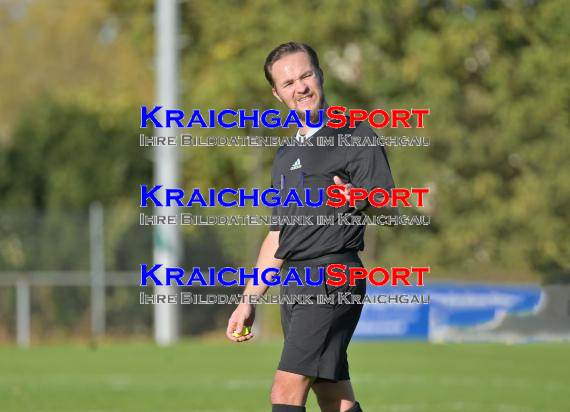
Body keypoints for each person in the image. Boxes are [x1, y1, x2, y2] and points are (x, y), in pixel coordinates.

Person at [226, 42, 398, 412]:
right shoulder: (285, 155)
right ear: (277, 93)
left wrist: (358, 198)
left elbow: (388, 204)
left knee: (285, 390)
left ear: (320, 75)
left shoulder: (355, 134)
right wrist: (248, 300)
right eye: (288, 83)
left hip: (333, 275)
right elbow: (277, 236)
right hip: (295, 283)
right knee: (334, 397)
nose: (300, 87)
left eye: (305, 76)